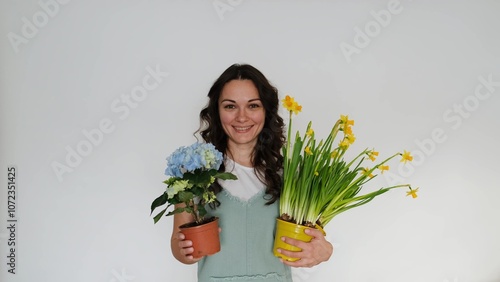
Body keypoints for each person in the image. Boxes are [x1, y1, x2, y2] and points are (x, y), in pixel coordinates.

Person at [170, 63, 333, 281]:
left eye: (253, 106)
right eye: (230, 106)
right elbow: (177, 243)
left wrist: (325, 250)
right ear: (217, 112)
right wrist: (185, 252)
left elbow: (316, 237)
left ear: (267, 111)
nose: (242, 117)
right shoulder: (192, 174)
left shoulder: (293, 176)